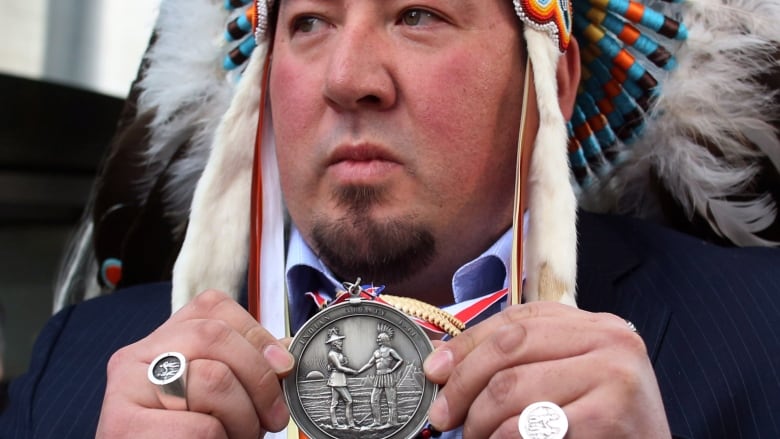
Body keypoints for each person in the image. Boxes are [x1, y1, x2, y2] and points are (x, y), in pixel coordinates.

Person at [2, 0, 780, 438]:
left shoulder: (759, 341)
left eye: (418, 14)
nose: (348, 78)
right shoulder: (84, 372)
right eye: (308, 22)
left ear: (556, 81)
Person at [357, 324, 404, 428]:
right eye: (377, 338)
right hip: (378, 376)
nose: (377, 340)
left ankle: (392, 421)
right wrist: (359, 371)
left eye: (379, 338)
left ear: (384, 339)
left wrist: (393, 369)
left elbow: (400, 360)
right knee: (374, 399)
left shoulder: (390, 351)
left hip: (388, 376)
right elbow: (370, 364)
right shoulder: (376, 352)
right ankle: (377, 421)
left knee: (391, 400)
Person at [324, 327, 357, 429]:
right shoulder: (332, 354)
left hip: (340, 378)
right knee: (349, 401)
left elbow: (342, 364)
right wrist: (352, 371)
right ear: (334, 344)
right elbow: (339, 367)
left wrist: (345, 361)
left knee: (334, 403)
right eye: (339, 342)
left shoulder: (338, 353)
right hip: (337, 379)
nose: (341, 343)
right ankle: (350, 424)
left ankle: (335, 424)